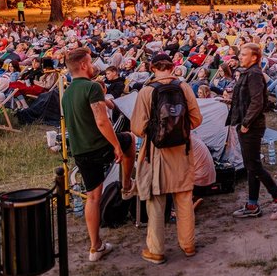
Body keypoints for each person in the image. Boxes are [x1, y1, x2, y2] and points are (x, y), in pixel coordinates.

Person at [60, 47, 135, 262]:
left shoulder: (67, 93)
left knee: (93, 196)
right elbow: (102, 121)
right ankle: (127, 185)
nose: (94, 67)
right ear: (83, 65)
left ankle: (95, 247)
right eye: (91, 62)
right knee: (129, 139)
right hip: (98, 146)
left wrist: (108, 102)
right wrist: (116, 146)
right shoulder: (92, 87)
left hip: (80, 150)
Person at [130, 53, 203, 263]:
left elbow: (137, 127)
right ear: (172, 67)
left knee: (156, 202)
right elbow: (197, 118)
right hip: (182, 150)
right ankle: (188, 245)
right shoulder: (184, 88)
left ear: (153, 68)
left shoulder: (146, 91)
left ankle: (156, 249)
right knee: (184, 200)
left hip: (157, 153)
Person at [226, 42, 277, 219]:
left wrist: (246, 123)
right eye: (240, 54)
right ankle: (252, 204)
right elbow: (247, 99)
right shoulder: (246, 73)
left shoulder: (254, 74)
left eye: (244, 54)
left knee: (254, 165)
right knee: (251, 166)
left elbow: (258, 102)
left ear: (254, 57)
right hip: (244, 123)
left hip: (251, 126)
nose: (240, 57)